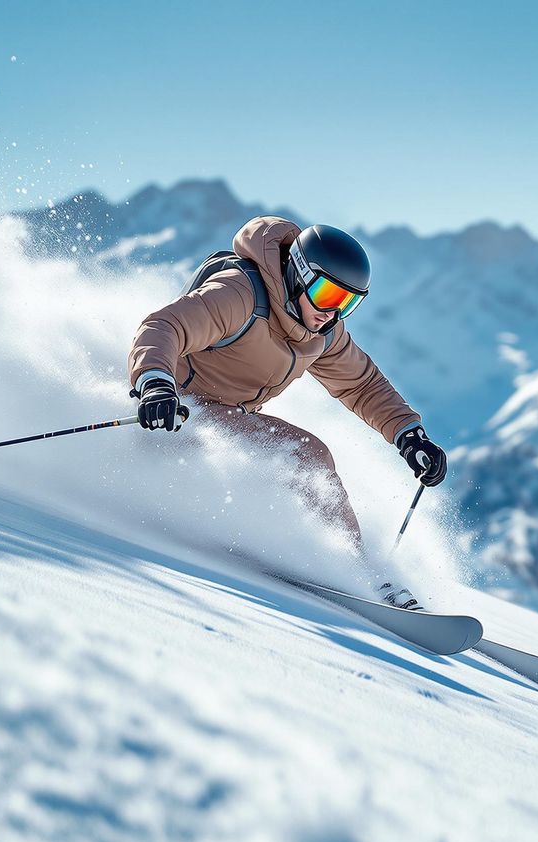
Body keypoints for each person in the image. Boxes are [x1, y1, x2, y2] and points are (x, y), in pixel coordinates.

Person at [127, 216, 446, 606]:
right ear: (298, 274)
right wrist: (156, 382)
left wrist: (410, 436)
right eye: (328, 294)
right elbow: (164, 326)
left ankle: (329, 559)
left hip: (228, 414)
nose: (333, 312)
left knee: (301, 458)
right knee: (306, 455)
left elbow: (361, 385)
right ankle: (358, 573)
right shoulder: (239, 294)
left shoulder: (321, 332)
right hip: (177, 409)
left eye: (348, 302)